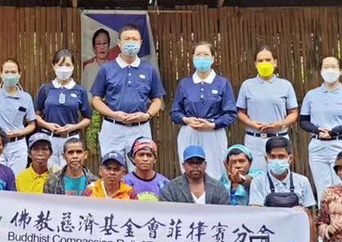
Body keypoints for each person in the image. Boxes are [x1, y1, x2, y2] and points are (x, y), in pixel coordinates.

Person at [89, 23, 165, 156]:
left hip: (140, 129)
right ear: (119, 43)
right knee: (112, 171)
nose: (131, 42)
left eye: (134, 39)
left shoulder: (149, 69)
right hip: (112, 128)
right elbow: (96, 100)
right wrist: (113, 114)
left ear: (140, 42)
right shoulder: (107, 69)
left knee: (140, 171)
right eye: (127, 39)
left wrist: (147, 115)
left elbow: (157, 100)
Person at [297, 55, 342, 190]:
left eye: (333, 67)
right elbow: (303, 121)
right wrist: (317, 130)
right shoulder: (311, 95)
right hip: (318, 146)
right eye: (326, 67)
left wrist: (334, 132)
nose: (329, 70)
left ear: (340, 71)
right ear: (321, 70)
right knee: (322, 188)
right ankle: (324, 211)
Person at [168, 41, 237, 172]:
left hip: (213, 132)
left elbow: (230, 114)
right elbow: (175, 112)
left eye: (206, 54)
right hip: (189, 132)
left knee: (215, 172)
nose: (202, 58)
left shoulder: (222, 83)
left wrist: (212, 124)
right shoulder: (185, 83)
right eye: (198, 54)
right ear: (193, 58)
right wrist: (186, 120)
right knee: (190, 171)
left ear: (212, 58)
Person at [235, 46, 299, 166]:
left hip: (279, 138)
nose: (264, 63)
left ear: (275, 62)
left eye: (268, 60)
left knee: (279, 174)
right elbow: (240, 112)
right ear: (255, 64)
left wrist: (281, 124)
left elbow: (293, 112)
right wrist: (252, 123)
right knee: (255, 177)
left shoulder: (285, 85)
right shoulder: (247, 85)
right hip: (254, 140)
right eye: (260, 60)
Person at [248, 136, 317, 242]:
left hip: (297, 235)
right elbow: (256, 214)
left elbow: (309, 216)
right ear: (266, 159)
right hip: (268, 235)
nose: (277, 160)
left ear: (290, 159)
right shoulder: (258, 182)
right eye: (273, 157)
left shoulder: (302, 181)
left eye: (281, 157)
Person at [34, 49, 92, 168]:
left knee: (70, 173)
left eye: (67, 65)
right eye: (60, 64)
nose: (64, 68)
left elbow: (88, 118)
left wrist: (73, 127)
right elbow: (35, 115)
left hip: (71, 140)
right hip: (49, 139)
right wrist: (47, 125)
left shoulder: (79, 90)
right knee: (50, 175)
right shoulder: (45, 88)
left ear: (73, 67)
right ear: (53, 66)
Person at [0, 59, 38, 171]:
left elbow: (32, 124)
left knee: (15, 181)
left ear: (19, 74)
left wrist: (19, 132)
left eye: (13, 72)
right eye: (6, 72)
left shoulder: (26, 97)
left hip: (18, 145)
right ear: (1, 74)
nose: (10, 75)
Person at [160, 146, 230, 205]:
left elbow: (225, 212)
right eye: (190, 163)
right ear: (183, 165)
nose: (195, 166)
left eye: (198, 162)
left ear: (205, 164)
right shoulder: (171, 188)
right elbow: (166, 213)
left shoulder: (218, 188)